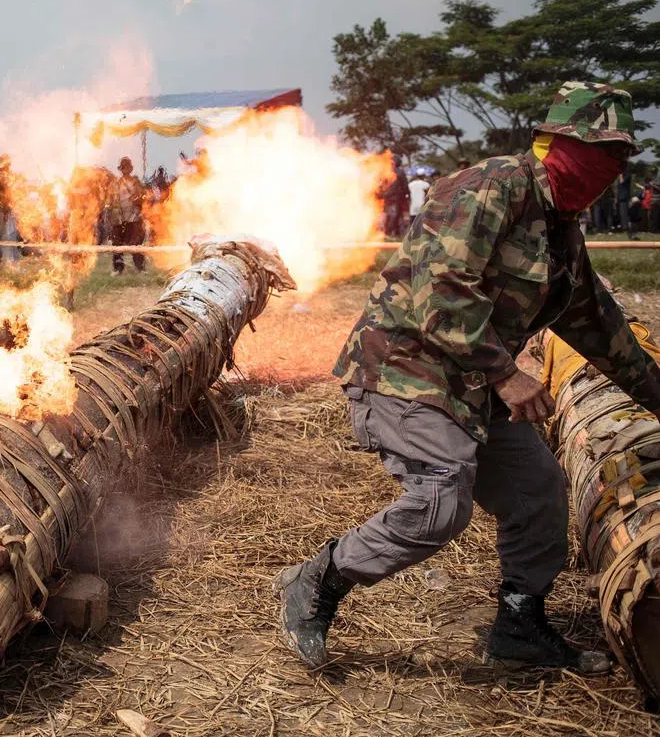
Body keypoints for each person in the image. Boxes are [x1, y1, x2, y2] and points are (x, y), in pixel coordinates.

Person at [276, 82, 660, 675]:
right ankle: (319, 579)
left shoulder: (563, 228)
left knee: (539, 492)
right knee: (440, 501)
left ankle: (518, 624)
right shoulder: (492, 186)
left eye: (619, 155)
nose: (612, 167)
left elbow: (597, 326)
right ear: (559, 143)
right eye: (602, 150)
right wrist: (507, 375)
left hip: (472, 385)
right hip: (406, 371)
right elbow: (442, 289)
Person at [107, 157, 146, 275]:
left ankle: (140, 268)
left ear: (130, 168)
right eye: (123, 167)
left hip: (133, 217)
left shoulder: (136, 182)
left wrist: (138, 199)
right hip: (119, 217)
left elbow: (143, 196)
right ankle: (118, 268)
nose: (125, 169)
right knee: (117, 244)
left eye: (127, 167)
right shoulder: (116, 184)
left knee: (136, 243)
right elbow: (110, 199)